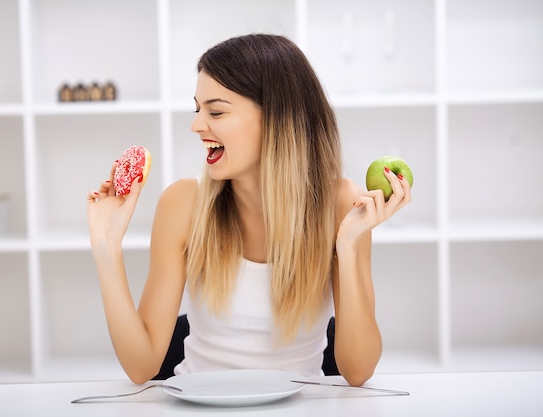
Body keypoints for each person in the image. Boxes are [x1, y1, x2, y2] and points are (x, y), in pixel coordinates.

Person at [87, 34, 412, 387]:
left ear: (276, 117)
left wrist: (346, 248)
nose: (197, 125)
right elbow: (141, 365)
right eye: (198, 109)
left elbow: (359, 371)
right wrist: (107, 247)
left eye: (216, 111)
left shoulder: (340, 204)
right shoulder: (182, 204)